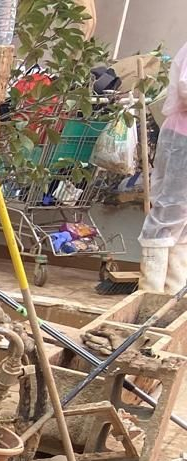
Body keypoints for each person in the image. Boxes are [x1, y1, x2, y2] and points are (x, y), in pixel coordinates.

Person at [140, 41, 187, 295]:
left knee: (184, 220)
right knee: (169, 210)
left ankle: (174, 298)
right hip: (183, 137)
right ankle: (150, 294)